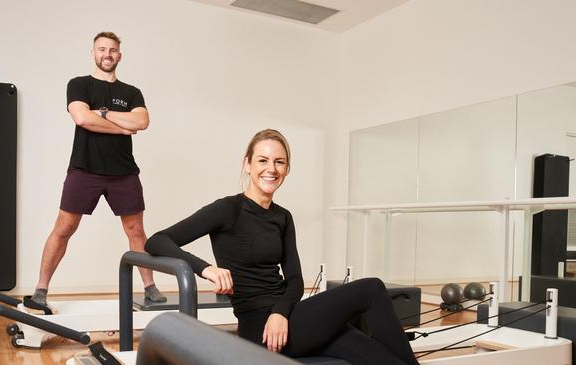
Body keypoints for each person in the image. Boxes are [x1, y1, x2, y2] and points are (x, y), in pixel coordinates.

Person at [145, 129, 418, 364]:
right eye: (263, 160)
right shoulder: (228, 209)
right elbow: (156, 240)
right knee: (371, 289)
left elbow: (295, 280)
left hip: (287, 318)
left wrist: (279, 312)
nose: (271, 169)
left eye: (279, 162)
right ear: (247, 164)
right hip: (259, 329)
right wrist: (206, 269)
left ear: (287, 169)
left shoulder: (282, 216)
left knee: (369, 352)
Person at [31, 31, 166, 307]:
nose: (107, 54)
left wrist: (102, 114)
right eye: (102, 49)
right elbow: (82, 118)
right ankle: (41, 289)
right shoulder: (79, 84)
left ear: (120, 55)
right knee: (64, 227)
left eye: (112, 50)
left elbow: (141, 122)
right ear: (93, 53)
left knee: (136, 231)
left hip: (124, 172)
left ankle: (150, 287)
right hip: (85, 169)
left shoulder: (131, 92)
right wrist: (121, 125)